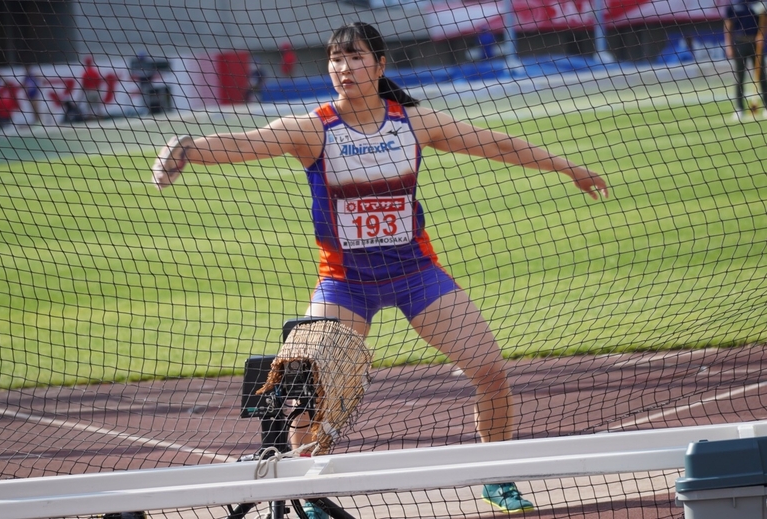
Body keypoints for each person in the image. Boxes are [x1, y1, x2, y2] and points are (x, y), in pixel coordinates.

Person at [152, 21, 608, 516]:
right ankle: (309, 492)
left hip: (416, 274)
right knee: (309, 384)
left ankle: (497, 478)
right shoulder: (315, 128)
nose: (343, 68)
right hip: (345, 284)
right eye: (335, 60)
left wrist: (566, 167)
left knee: (490, 370)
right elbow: (247, 142)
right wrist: (186, 149)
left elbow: (494, 143)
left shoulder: (413, 123)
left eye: (355, 58)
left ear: (380, 64)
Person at [724, 0, 767, 121]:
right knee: (739, 77)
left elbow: (764, 20)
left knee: (762, 76)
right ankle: (739, 109)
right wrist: (728, 45)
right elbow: (728, 25)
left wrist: (761, 35)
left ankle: (766, 107)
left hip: (755, 43)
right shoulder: (733, 5)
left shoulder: (758, 3)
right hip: (739, 43)